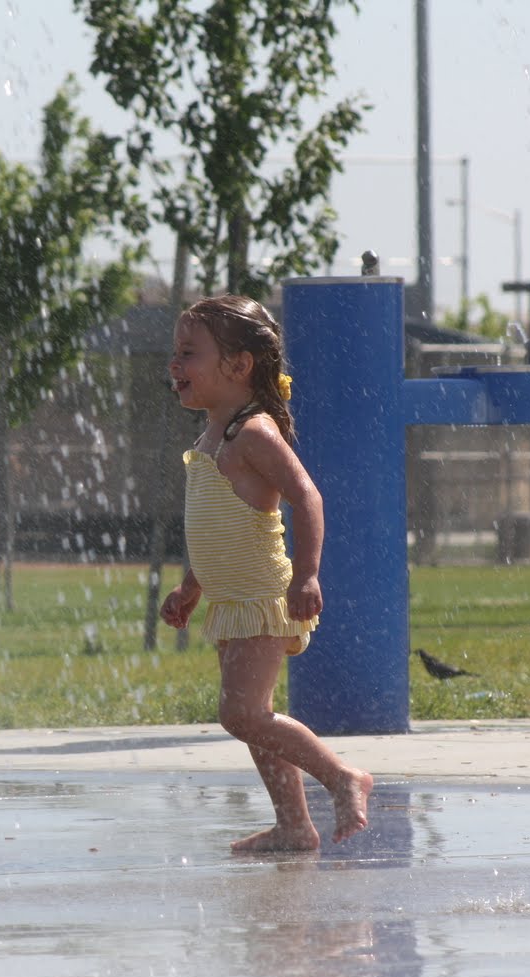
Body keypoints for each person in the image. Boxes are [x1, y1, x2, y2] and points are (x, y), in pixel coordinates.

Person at [161, 294, 373, 851]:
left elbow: (308, 497)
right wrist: (191, 587)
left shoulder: (252, 433)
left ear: (238, 365)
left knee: (242, 714)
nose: (175, 363)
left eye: (189, 352)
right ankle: (293, 825)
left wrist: (307, 575)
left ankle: (342, 777)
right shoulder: (210, 437)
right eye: (175, 352)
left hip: (262, 596)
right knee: (257, 718)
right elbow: (216, 526)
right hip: (231, 601)